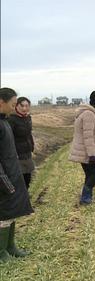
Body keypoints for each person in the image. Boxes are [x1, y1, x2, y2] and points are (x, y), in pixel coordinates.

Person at [0, 87, 33, 261]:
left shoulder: (5, 121)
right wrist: (4, 181)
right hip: (3, 177)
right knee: (4, 214)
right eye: (13, 104)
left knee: (13, 212)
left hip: (13, 172)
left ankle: (10, 246)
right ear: (1, 102)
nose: (15, 108)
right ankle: (1, 252)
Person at [68, 90, 95, 205]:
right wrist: (92, 154)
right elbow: (88, 137)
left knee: (90, 174)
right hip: (85, 151)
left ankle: (86, 198)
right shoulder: (89, 114)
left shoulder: (85, 113)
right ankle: (85, 198)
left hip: (83, 150)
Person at [8, 97, 35, 189]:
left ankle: (25, 198)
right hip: (17, 154)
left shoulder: (28, 118)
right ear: (16, 106)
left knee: (28, 178)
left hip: (27, 153)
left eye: (27, 106)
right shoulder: (11, 119)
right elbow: (8, 138)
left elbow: (29, 134)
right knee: (19, 180)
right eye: (22, 106)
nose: (24, 108)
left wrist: (32, 146)